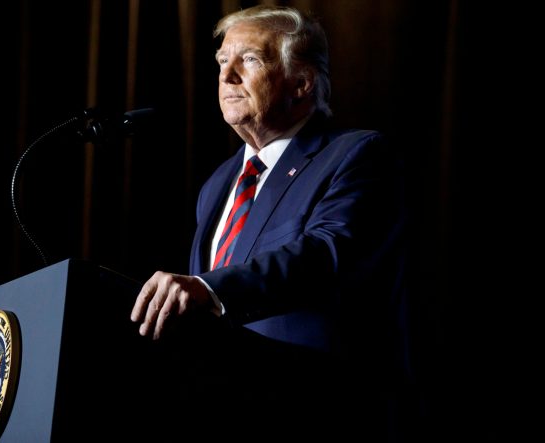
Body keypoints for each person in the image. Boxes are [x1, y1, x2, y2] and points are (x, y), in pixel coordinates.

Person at [130, 5, 411, 440]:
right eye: (223, 61)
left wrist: (209, 288)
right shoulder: (218, 184)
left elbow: (326, 255)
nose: (227, 77)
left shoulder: (355, 156)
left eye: (250, 60)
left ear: (301, 84)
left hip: (323, 415)